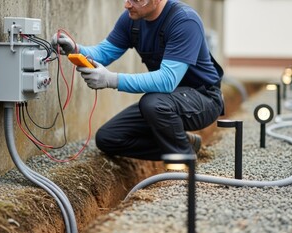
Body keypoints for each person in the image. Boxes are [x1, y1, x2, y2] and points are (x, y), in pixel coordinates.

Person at [52, 0, 224, 161]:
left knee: (152, 102)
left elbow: (167, 80)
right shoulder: (132, 20)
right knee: (109, 138)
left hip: (204, 100)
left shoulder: (184, 21)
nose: (127, 5)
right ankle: (186, 144)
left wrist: (111, 79)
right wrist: (75, 49)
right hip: (167, 100)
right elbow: (104, 53)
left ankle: (183, 165)